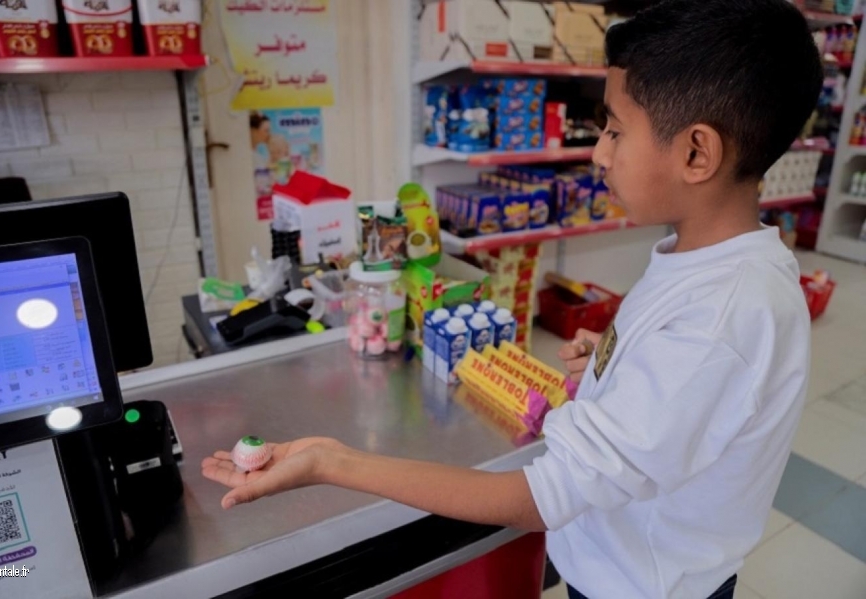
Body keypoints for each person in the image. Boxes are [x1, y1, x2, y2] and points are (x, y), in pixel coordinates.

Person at [203, 1, 821, 596]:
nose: (599, 153)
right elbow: (681, 399)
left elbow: (539, 498)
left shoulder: (724, 316)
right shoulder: (701, 260)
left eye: (614, 130)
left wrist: (333, 462)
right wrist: (617, 360)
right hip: (613, 561)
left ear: (696, 153)